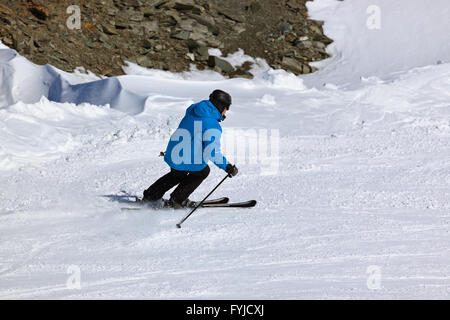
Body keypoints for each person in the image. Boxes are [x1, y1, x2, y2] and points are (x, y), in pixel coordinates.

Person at [142, 89, 239, 208]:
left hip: (173, 152)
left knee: (177, 173)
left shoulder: (194, 110)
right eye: (227, 107)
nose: (226, 111)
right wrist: (227, 167)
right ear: (220, 106)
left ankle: (151, 195)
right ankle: (177, 200)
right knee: (202, 171)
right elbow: (212, 152)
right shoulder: (212, 125)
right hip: (184, 156)